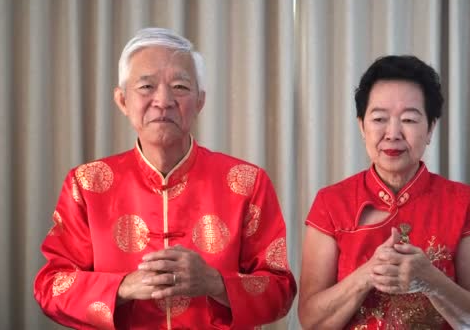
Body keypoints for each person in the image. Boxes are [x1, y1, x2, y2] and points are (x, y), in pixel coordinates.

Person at [34, 27, 296, 330]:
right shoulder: (87, 183)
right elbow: (51, 287)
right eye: (146, 87)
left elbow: (281, 292)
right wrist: (122, 287)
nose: (163, 100)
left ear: (200, 101)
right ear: (122, 100)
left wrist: (215, 283)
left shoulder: (247, 182)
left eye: (180, 87)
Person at [297, 55, 470, 329]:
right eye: (379, 118)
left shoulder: (466, 203)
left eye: (409, 120)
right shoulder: (331, 203)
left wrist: (430, 279)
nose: (392, 133)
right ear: (361, 126)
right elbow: (311, 321)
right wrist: (369, 274)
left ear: (430, 128)